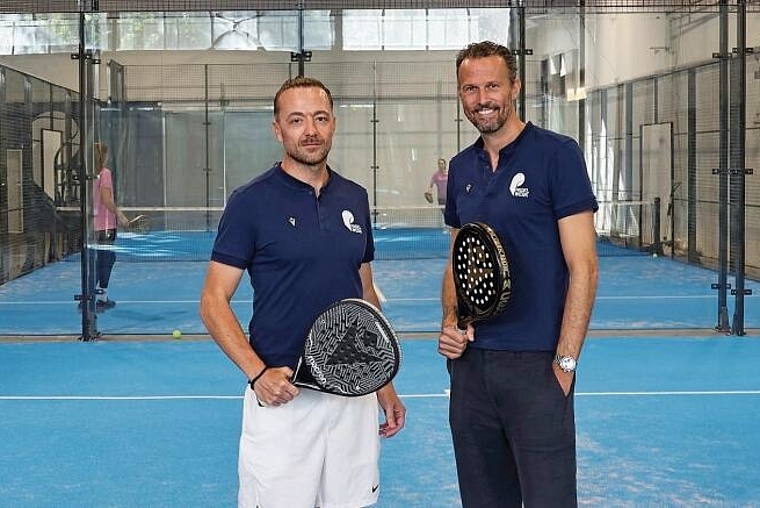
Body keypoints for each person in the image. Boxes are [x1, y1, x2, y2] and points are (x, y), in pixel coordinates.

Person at [199, 76, 406, 508]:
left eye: (319, 118)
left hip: (354, 396)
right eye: (296, 120)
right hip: (284, 399)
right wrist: (257, 373)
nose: (310, 130)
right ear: (278, 130)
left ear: (332, 125)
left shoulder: (355, 196)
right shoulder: (249, 203)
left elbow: (364, 293)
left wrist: (382, 380)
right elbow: (212, 301)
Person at [438, 41, 599, 508]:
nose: (482, 98)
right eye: (470, 88)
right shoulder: (462, 168)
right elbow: (457, 258)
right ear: (460, 95)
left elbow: (583, 266)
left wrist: (564, 364)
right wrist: (451, 321)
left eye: (492, 85)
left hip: (536, 368)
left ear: (515, 87)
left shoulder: (557, 155)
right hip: (471, 373)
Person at [89, 142, 129, 311]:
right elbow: (106, 200)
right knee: (105, 262)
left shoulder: (91, 175)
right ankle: (93, 297)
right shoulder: (105, 173)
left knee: (103, 261)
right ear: (103, 156)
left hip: (95, 225)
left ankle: (97, 296)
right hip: (106, 226)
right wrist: (119, 214)